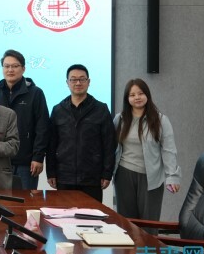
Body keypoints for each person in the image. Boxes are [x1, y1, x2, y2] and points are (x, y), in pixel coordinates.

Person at [113, 79, 181, 222]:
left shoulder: (160, 120)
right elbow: (112, 147)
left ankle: (147, 239)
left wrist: (172, 176)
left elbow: (168, 150)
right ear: (127, 98)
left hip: (151, 178)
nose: (137, 97)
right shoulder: (120, 119)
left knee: (149, 223)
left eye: (140, 93)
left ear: (147, 95)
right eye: (132, 95)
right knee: (127, 224)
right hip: (124, 175)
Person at [46, 64, 116, 202]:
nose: (78, 83)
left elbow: (109, 144)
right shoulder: (58, 110)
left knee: (91, 214)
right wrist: (51, 172)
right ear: (67, 82)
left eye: (82, 79)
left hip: (92, 177)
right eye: (73, 79)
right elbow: (51, 144)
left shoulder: (101, 109)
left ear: (88, 82)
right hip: (64, 176)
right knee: (65, 214)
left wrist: (107, 173)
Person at [0, 49, 49, 190]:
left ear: (23, 69)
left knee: (26, 201)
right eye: (6, 66)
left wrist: (38, 157)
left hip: (26, 162)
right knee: (0, 199)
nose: (10, 70)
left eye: (15, 66)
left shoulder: (35, 93)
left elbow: (42, 127)